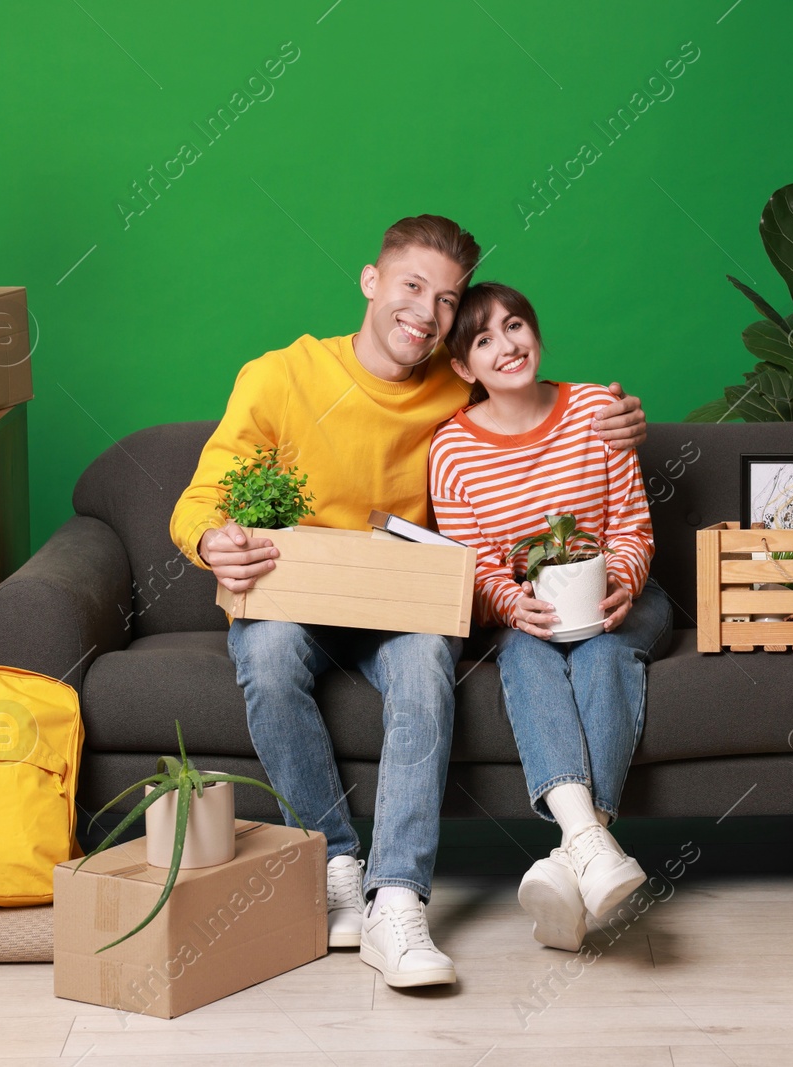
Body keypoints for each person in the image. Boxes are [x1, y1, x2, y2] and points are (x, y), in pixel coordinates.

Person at [168, 216, 648, 987]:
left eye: (446, 300)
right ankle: (331, 860)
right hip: (297, 595)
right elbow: (201, 496)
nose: (425, 313)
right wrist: (210, 538)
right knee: (263, 647)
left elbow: (542, 403)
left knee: (430, 656)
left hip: (399, 605)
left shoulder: (456, 384)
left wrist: (620, 418)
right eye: (412, 287)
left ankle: (397, 899)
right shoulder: (279, 377)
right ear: (371, 281)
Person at [428, 282, 673, 952]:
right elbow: (477, 566)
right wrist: (514, 604)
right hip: (526, 614)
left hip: (619, 600)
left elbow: (630, 528)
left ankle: (574, 857)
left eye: (514, 326)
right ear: (462, 367)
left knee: (602, 652)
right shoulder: (451, 451)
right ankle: (587, 850)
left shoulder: (597, 409)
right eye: (483, 340)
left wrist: (620, 580)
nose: (507, 346)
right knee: (525, 653)